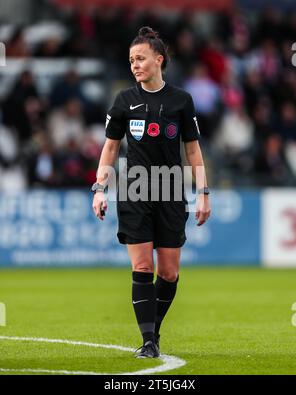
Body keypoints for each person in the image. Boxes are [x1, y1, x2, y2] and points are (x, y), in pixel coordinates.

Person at [92, 27, 211, 358]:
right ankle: (149, 342)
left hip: (172, 189)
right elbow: (110, 149)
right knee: (143, 267)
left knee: (170, 272)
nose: (134, 65)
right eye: (131, 60)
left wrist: (203, 193)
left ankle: (152, 333)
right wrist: (100, 188)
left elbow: (193, 151)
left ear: (159, 60)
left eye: (140, 58)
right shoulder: (123, 101)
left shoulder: (181, 101)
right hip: (134, 189)